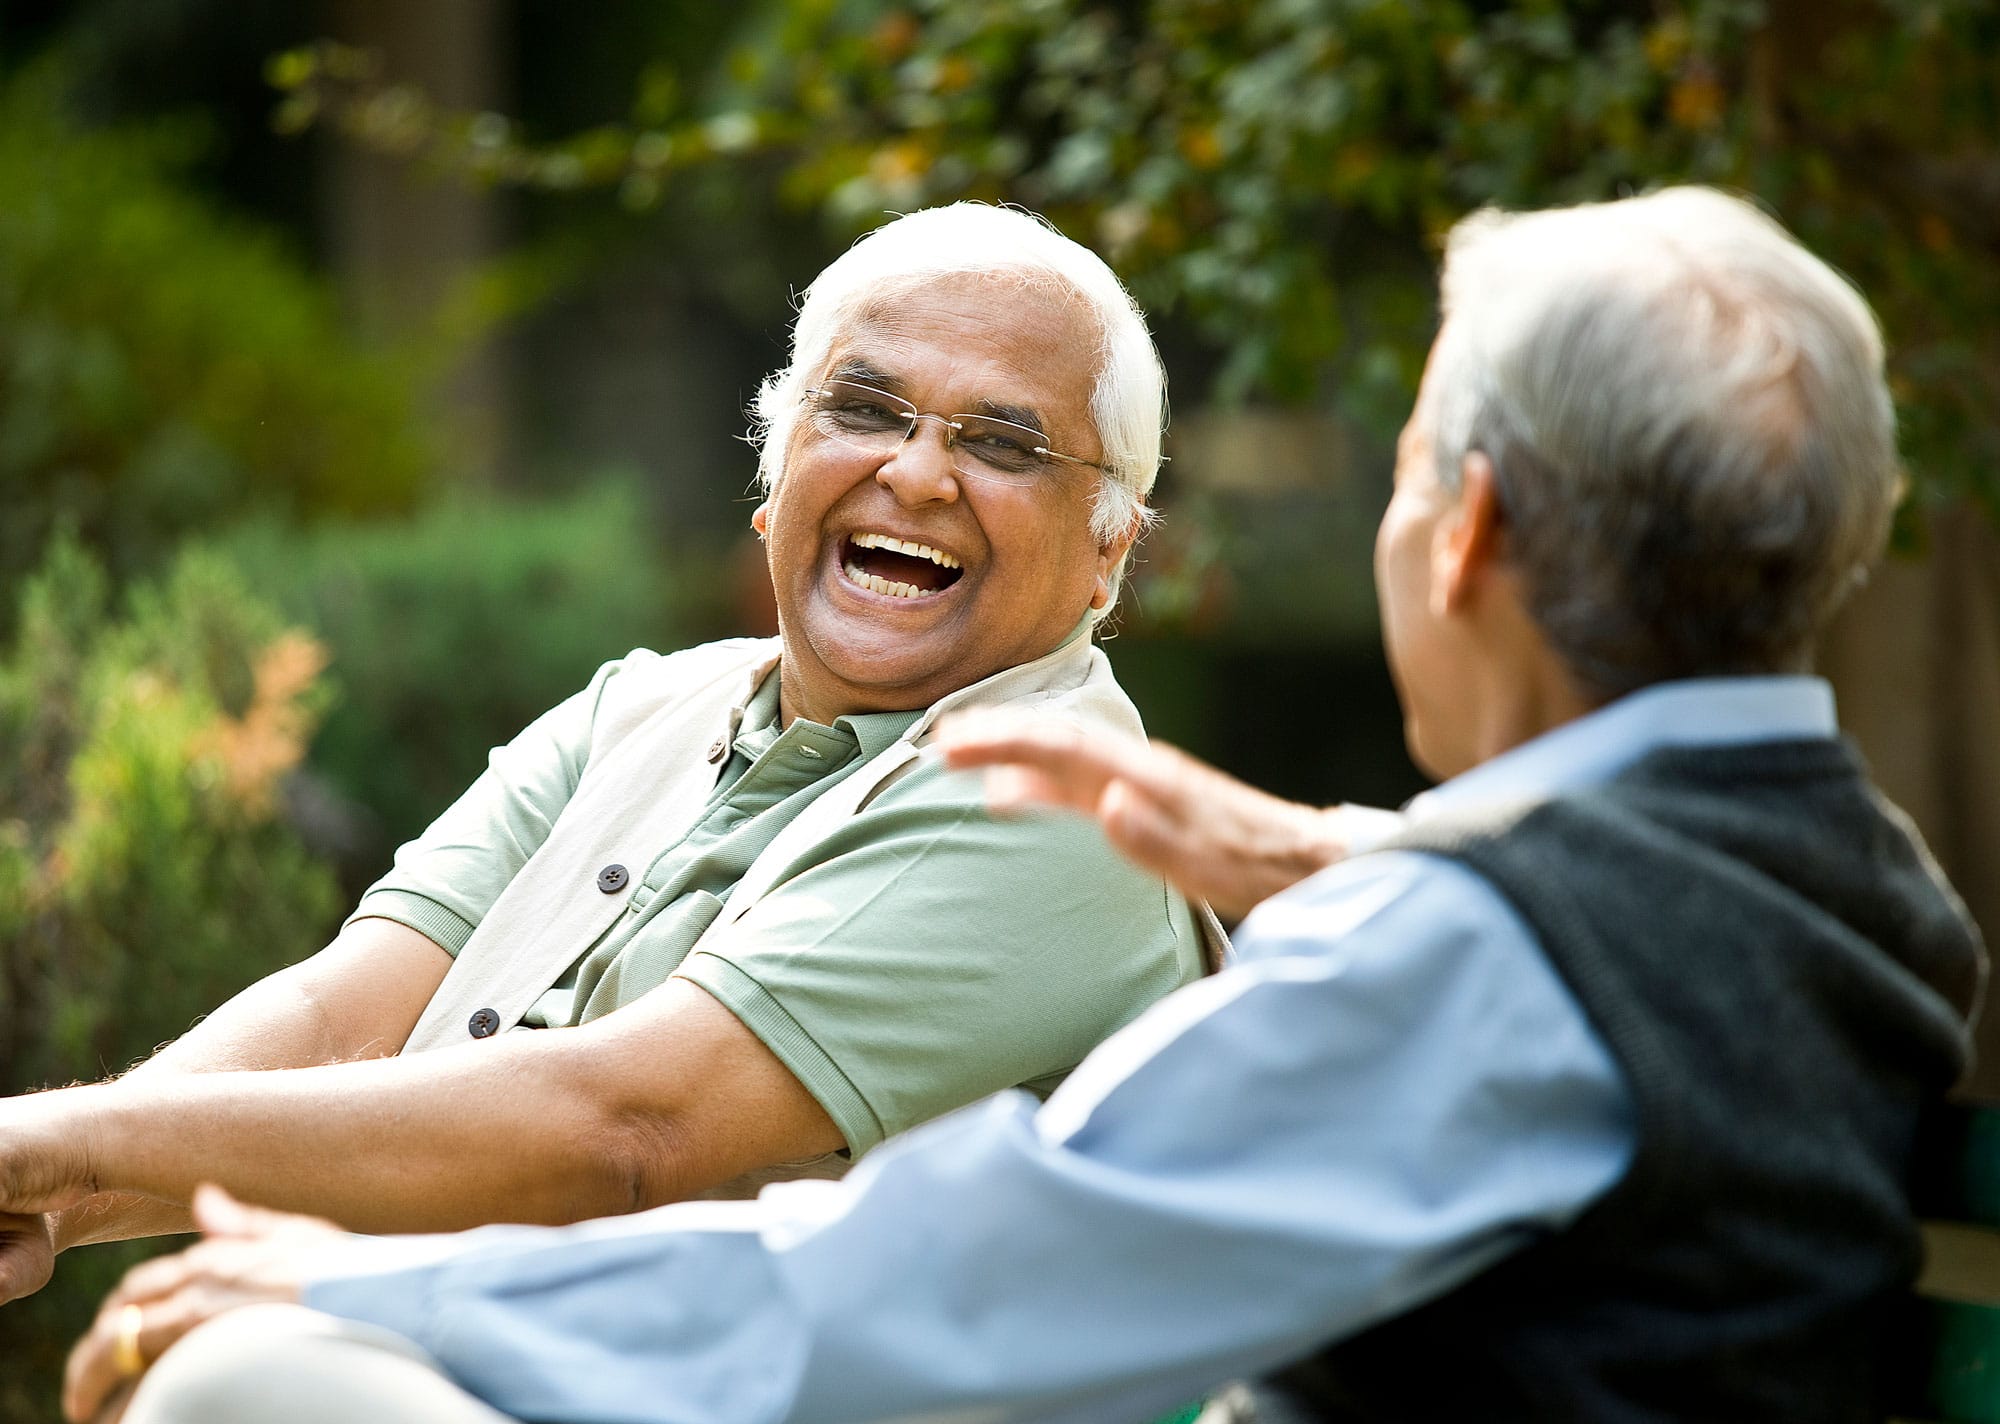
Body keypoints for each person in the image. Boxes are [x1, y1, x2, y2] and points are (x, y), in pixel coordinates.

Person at [64, 185, 1984, 1424]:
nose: (916, 472)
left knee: (268, 1378)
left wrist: (388, 1276)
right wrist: (1338, 852)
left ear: (1463, 523)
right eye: (865, 409)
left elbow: (971, 1263)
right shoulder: (1858, 879)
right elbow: (1617, 950)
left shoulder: (1488, 957)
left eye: (1401, 472)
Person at [0, 202, 1220, 1314]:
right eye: (863, 409)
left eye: (1002, 443)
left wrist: (63, 1148)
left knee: (232, 1370)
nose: (914, 470)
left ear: (1108, 552)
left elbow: (626, 1125)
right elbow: (337, 1016)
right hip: (485, 1351)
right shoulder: (637, 707)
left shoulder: (1056, 795)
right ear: (774, 468)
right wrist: (47, 1198)